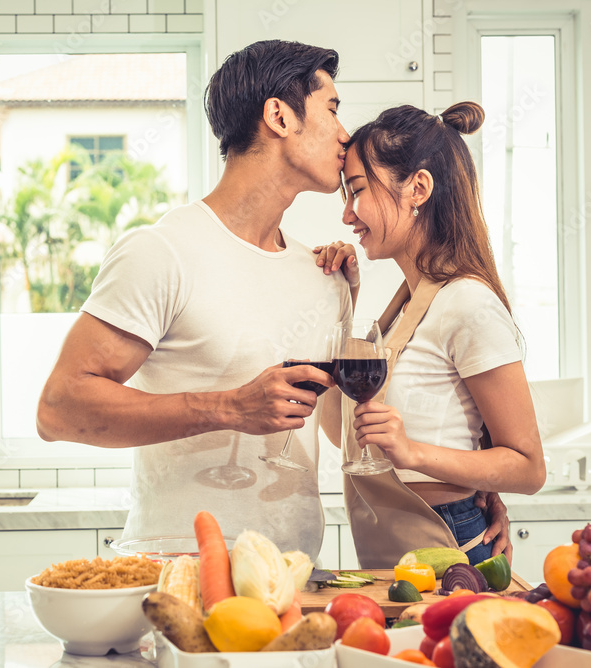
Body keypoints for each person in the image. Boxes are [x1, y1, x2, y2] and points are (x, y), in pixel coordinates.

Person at [35, 40, 353, 560]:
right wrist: (229, 407)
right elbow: (58, 409)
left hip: (294, 578)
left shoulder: (323, 275)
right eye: (333, 109)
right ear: (279, 115)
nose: (345, 134)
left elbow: (338, 430)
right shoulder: (162, 251)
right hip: (176, 577)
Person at [319, 101, 545, 567]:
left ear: (418, 188)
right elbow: (336, 429)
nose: (347, 214)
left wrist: (411, 451)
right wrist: (341, 298)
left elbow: (528, 467)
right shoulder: (404, 306)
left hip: (447, 545)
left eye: (357, 190)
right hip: (398, 554)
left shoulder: (467, 303)